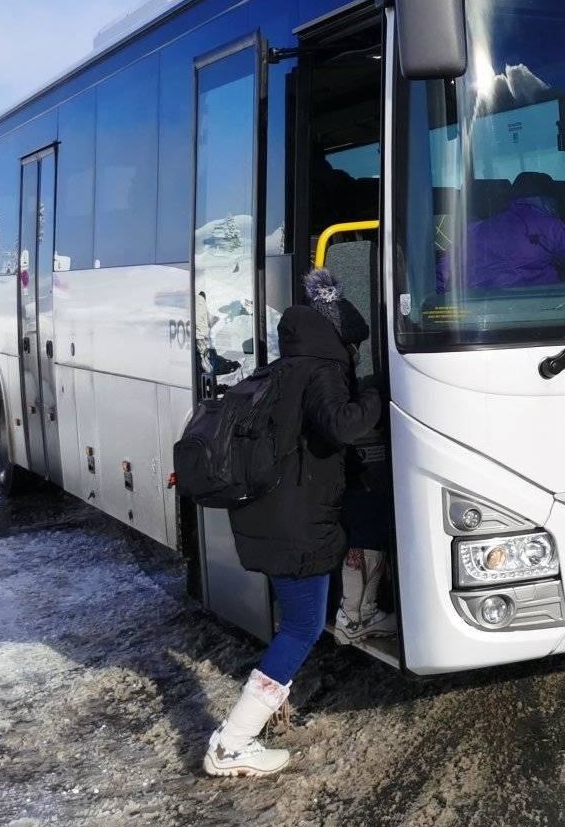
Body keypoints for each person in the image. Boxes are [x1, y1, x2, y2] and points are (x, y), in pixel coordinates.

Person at [203, 268, 384, 778]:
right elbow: (341, 424)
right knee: (303, 627)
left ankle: (357, 614)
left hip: (274, 515)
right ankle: (233, 743)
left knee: (303, 613)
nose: (353, 351)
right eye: (352, 343)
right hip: (296, 525)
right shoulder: (322, 372)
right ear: (336, 338)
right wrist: (375, 390)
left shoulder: (281, 370)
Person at [454, 171, 565, 290]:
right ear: (550, 199)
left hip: (482, 320)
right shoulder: (548, 227)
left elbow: (442, 276)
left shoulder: (473, 232)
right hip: (540, 319)